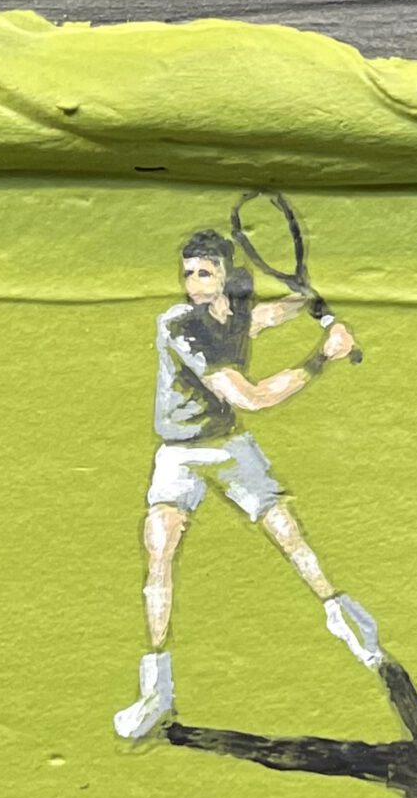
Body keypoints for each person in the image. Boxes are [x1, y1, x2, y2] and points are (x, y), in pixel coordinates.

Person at [114, 226, 381, 743]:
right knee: (160, 550)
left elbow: (267, 316)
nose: (194, 284)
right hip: (179, 453)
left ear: (225, 277)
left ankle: (349, 623)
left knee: (287, 532)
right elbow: (251, 397)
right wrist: (322, 356)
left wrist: (306, 300)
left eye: (205, 273)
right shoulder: (179, 327)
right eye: (189, 274)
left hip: (230, 446)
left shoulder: (236, 315)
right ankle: (155, 691)